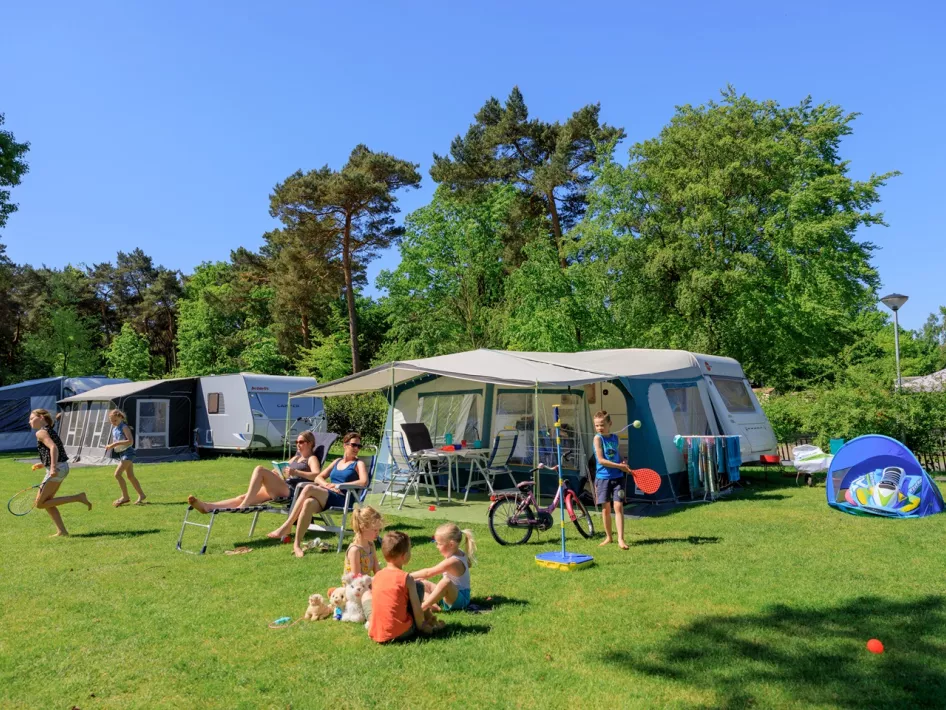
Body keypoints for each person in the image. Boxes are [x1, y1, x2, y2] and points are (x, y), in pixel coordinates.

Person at [267, 431, 369, 558]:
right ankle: (297, 545)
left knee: (309, 487)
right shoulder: (337, 461)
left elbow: (364, 481)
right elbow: (319, 477)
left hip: (343, 498)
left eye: (359, 446)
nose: (356, 449)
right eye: (353, 445)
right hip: (329, 494)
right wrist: (327, 485)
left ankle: (287, 526)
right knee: (308, 503)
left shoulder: (358, 463)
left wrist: (338, 486)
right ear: (345, 445)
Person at [187, 430, 322, 514]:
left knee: (259, 469)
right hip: (282, 485)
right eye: (297, 441)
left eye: (301, 442)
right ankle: (207, 506)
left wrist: (296, 472)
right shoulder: (296, 457)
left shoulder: (312, 458)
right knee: (243, 497)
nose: (298, 444)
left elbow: (317, 475)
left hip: (292, 490)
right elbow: (284, 468)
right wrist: (276, 471)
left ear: (310, 443)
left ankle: (245, 505)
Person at [365, 531, 440, 643]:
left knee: (367, 595)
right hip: (401, 632)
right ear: (404, 556)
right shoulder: (406, 578)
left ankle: (374, 623)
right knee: (419, 585)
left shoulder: (377, 576)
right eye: (409, 550)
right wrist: (422, 626)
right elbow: (417, 609)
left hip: (376, 632)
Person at [29, 409, 91, 536]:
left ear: (41, 417)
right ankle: (62, 531)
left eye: (31, 418)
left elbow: (53, 447)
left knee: (40, 504)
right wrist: (44, 464)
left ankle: (78, 497)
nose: (29, 421)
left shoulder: (41, 432)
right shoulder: (48, 430)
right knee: (47, 502)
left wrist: (52, 468)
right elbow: (55, 451)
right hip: (61, 467)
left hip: (57, 468)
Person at [412, 522, 476, 612]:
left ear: (451, 545)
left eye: (439, 544)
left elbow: (428, 573)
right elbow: (469, 564)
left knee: (445, 582)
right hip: (451, 595)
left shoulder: (453, 561)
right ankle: (433, 605)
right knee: (420, 582)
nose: (437, 547)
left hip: (461, 600)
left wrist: (406, 575)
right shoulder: (460, 552)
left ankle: (424, 606)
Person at [593, 410, 632, 549]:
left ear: (610, 423)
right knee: (606, 509)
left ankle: (621, 539)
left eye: (602, 425)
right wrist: (618, 466)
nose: (599, 428)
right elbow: (601, 460)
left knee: (618, 507)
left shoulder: (615, 438)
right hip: (603, 478)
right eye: (597, 425)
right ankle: (609, 537)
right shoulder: (598, 438)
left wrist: (623, 462)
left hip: (618, 478)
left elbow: (618, 455)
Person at [103, 409, 146, 507]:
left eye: (115, 420)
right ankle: (142, 495)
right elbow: (118, 441)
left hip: (128, 453)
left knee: (117, 474)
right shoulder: (115, 429)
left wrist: (114, 444)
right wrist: (111, 445)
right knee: (130, 476)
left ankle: (125, 497)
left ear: (121, 417)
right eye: (112, 421)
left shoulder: (124, 427)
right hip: (122, 454)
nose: (113, 423)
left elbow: (130, 441)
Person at [343, 506, 383, 577]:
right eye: (375, 530)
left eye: (379, 530)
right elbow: (357, 579)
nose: (378, 533)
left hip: (366, 584)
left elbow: (376, 569)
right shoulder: (355, 550)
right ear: (363, 527)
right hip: (355, 586)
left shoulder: (371, 545)